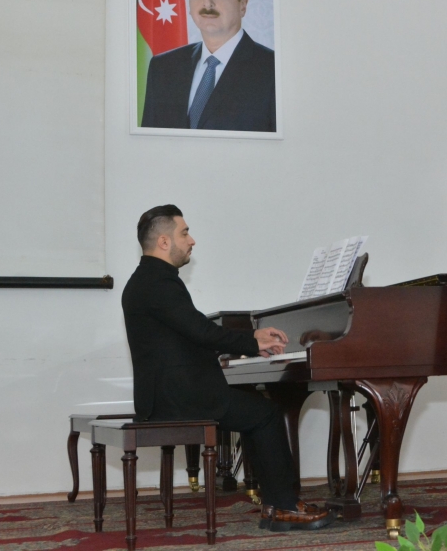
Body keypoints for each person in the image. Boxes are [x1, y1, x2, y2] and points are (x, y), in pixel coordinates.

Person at [121, 205, 332, 531]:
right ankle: (284, 506)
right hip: (180, 397)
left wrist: (248, 341)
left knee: (256, 412)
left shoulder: (145, 280)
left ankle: (275, 503)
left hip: (166, 394)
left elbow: (190, 335)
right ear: (164, 241)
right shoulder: (158, 283)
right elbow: (201, 332)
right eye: (184, 232)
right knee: (266, 415)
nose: (192, 240)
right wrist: (252, 342)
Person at [141, 0, 276, 132]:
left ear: (242, 5)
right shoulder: (163, 67)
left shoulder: (273, 68)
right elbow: (148, 141)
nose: (207, 3)